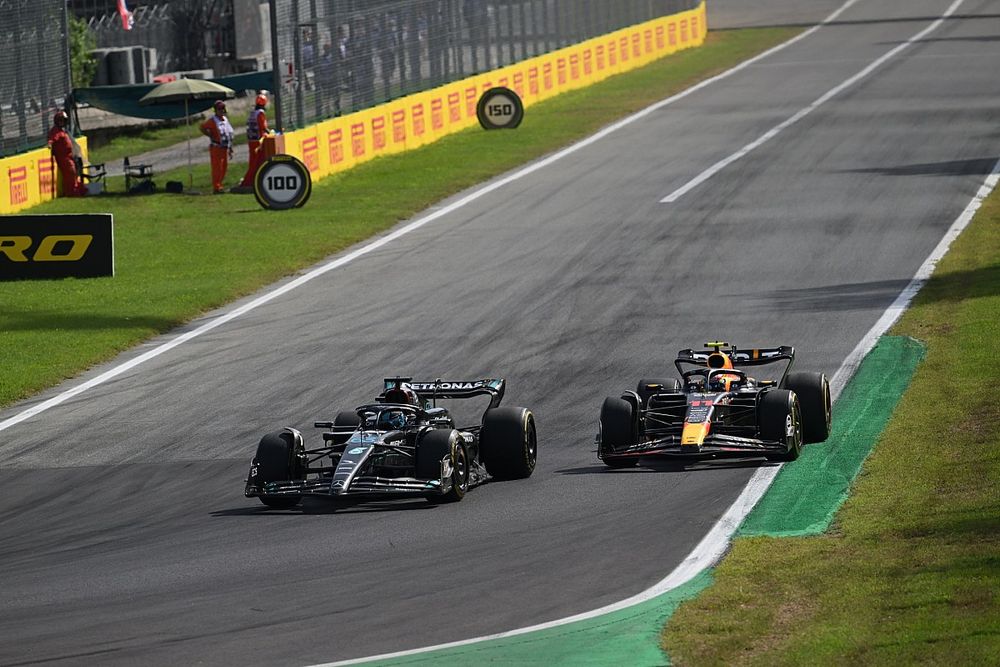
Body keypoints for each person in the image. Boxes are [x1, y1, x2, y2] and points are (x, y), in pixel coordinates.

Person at [47, 111, 86, 197]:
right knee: (70, 174)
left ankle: (77, 189)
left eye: (64, 120)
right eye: (61, 120)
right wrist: (50, 144)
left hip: (69, 156)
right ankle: (71, 192)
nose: (62, 122)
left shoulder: (63, 131)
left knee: (74, 173)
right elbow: (52, 139)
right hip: (64, 158)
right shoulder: (56, 131)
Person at [199, 100, 234, 193]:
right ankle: (216, 187)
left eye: (223, 108)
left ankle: (220, 185)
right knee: (217, 168)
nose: (221, 110)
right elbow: (202, 127)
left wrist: (230, 148)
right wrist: (209, 134)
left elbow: (229, 134)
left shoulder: (225, 120)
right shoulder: (212, 121)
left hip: (225, 147)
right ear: (215, 110)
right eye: (219, 109)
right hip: (216, 147)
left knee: (224, 167)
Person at [239, 93, 270, 188]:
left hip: (251, 140)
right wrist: (270, 132)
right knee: (256, 162)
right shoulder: (260, 113)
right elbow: (263, 127)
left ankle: (252, 180)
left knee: (253, 161)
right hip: (258, 141)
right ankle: (248, 182)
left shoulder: (253, 113)